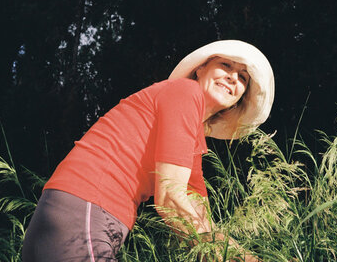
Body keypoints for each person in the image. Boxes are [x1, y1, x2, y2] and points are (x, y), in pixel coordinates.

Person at [22, 40, 275, 262]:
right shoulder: (185, 92)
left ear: (240, 97)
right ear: (200, 69)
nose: (233, 77)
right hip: (87, 209)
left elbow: (199, 218)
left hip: (70, 213)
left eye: (242, 77)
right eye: (226, 66)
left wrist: (246, 257)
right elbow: (171, 201)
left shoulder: (192, 137)